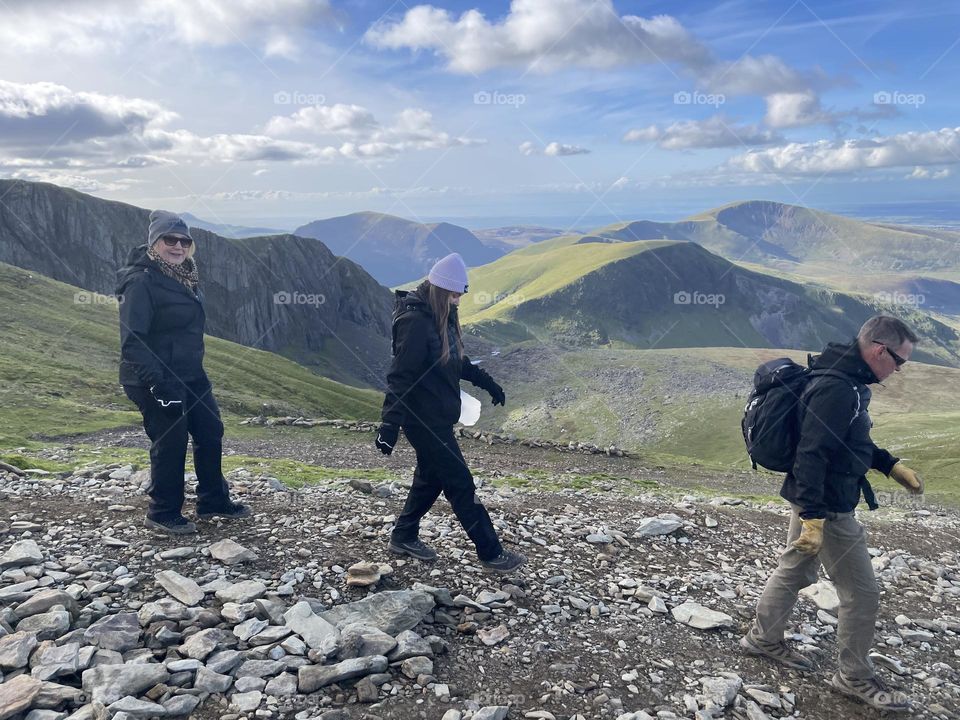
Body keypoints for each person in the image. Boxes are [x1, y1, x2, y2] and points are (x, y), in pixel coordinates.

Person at [740, 315, 923, 712]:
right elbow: (812, 453)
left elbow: (848, 439)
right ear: (879, 350)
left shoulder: (846, 379)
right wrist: (815, 517)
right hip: (828, 504)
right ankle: (853, 677)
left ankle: (762, 637)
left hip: (814, 499)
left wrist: (889, 464)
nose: (899, 369)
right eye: (900, 361)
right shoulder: (838, 389)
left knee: (797, 568)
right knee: (862, 594)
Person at [375, 252, 525, 573]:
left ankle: (403, 535)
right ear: (442, 290)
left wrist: (489, 383)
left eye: (461, 295)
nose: (459, 300)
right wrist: (389, 425)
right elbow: (400, 375)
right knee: (460, 483)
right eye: (455, 294)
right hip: (422, 421)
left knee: (429, 479)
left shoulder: (442, 314)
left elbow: (454, 360)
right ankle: (490, 552)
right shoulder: (415, 323)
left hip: (437, 418)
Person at [117, 210, 249, 534]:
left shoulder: (185, 274)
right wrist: (158, 387)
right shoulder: (141, 281)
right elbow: (132, 341)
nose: (177, 246)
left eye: (184, 240)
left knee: (209, 430)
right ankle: (162, 513)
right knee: (171, 439)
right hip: (153, 378)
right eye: (169, 239)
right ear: (155, 243)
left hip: (190, 373)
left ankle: (213, 500)